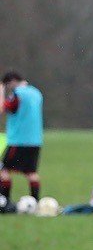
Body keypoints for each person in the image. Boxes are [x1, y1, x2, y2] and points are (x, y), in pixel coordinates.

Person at [0, 72, 44, 202]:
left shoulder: (18, 94)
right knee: (31, 172)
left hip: (18, 140)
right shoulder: (37, 93)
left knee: (4, 170)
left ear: (12, 81)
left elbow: (3, 109)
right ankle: (35, 201)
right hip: (35, 140)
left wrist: (1, 91)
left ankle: (5, 201)